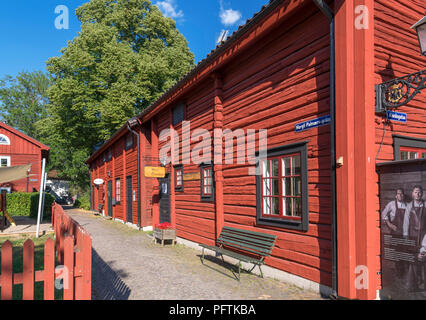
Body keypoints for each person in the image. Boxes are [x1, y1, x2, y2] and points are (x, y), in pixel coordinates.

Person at [403, 185, 426, 291]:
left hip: (423, 235)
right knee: (413, 259)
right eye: (416, 192)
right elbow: (406, 222)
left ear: (422, 193)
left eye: (420, 192)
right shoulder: (409, 206)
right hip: (412, 235)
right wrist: (406, 236)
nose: (418, 194)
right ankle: (413, 283)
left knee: (423, 257)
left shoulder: (425, 205)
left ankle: (423, 282)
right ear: (413, 194)